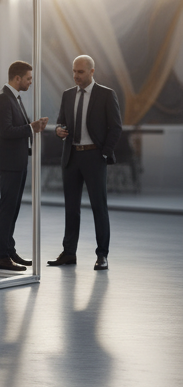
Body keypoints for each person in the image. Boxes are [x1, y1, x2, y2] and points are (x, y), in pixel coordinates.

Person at [48, 54, 122, 271]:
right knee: (71, 208)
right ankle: (69, 253)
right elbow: (61, 121)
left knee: (99, 207)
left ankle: (102, 255)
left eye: (80, 72)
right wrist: (59, 130)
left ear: (91, 72)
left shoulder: (106, 95)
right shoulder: (67, 95)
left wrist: (104, 153)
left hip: (94, 157)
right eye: (74, 71)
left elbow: (116, 127)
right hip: (71, 156)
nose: (75, 76)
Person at [0, 60, 48, 272]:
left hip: (18, 160)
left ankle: (9, 251)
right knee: (7, 208)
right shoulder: (3, 100)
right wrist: (31, 127)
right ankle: (1, 256)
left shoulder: (14, 98)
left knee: (12, 209)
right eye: (29, 78)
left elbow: (19, 127)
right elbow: (6, 131)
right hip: (9, 162)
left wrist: (34, 127)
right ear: (17, 78)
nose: (31, 82)